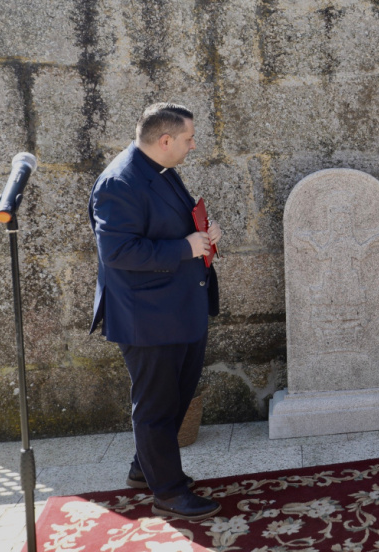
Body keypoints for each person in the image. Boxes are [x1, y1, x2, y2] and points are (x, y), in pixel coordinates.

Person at [89, 102, 223, 521]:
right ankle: (168, 492)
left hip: (177, 307)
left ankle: (143, 469)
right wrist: (186, 247)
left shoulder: (160, 169)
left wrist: (203, 233)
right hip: (147, 316)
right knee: (155, 405)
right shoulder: (120, 182)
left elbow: (168, 224)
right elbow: (117, 251)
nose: (193, 145)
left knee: (176, 396)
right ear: (165, 140)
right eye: (188, 138)